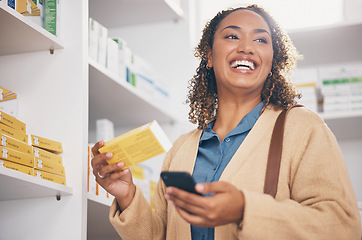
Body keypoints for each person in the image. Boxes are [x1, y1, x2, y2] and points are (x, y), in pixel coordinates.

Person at [91, 4, 362, 240]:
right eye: (232, 36)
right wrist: (127, 195)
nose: (246, 47)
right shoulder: (182, 149)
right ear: (209, 56)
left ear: (272, 62)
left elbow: (343, 227)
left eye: (261, 40)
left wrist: (246, 209)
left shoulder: (303, 128)